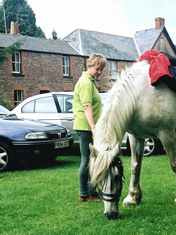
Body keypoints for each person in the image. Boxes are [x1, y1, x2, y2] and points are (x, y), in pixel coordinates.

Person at [73, 53, 106, 201]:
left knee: (92, 160)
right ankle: (84, 193)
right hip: (86, 127)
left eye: (101, 69)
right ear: (90, 65)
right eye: (98, 68)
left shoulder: (90, 81)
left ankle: (91, 192)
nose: (99, 72)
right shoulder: (86, 82)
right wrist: (93, 127)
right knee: (86, 160)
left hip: (89, 126)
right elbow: (87, 107)